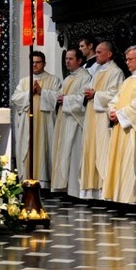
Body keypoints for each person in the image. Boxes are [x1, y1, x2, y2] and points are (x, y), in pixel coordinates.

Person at [103, 46, 136, 205]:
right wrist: (112, 111)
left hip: (133, 129)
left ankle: (133, 199)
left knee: (133, 163)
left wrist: (119, 114)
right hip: (121, 124)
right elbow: (115, 99)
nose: (127, 62)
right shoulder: (128, 80)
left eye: (130, 59)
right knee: (120, 163)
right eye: (126, 59)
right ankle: (121, 198)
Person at [40, 48, 91, 197]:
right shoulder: (68, 79)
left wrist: (66, 99)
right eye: (66, 59)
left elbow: (84, 99)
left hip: (76, 122)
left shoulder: (85, 77)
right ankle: (66, 188)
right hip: (64, 120)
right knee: (64, 154)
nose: (67, 61)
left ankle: (75, 190)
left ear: (80, 61)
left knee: (74, 155)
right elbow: (59, 95)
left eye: (71, 59)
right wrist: (52, 96)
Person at [79, 41, 124, 200]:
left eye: (99, 52)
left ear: (109, 54)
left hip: (103, 118)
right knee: (91, 151)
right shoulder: (97, 72)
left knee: (103, 152)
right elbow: (91, 90)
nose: (96, 55)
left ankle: (105, 192)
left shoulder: (116, 72)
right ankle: (92, 192)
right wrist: (90, 93)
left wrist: (96, 94)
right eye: (96, 52)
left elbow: (116, 94)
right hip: (92, 116)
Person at [11, 51, 61, 187]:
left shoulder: (53, 80)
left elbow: (58, 98)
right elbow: (15, 98)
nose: (34, 65)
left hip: (45, 123)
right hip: (28, 122)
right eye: (32, 62)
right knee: (28, 149)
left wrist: (42, 92)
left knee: (45, 149)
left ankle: (45, 182)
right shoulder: (24, 81)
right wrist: (29, 93)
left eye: (38, 62)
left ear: (44, 63)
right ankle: (27, 179)